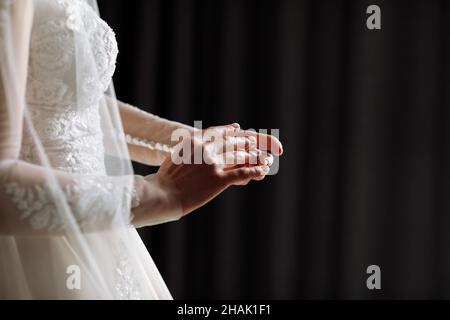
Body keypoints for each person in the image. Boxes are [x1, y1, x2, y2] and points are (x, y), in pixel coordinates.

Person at [0, 0, 282, 299]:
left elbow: (55, 100)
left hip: (96, 232)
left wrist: (182, 141)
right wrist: (161, 193)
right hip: (31, 245)